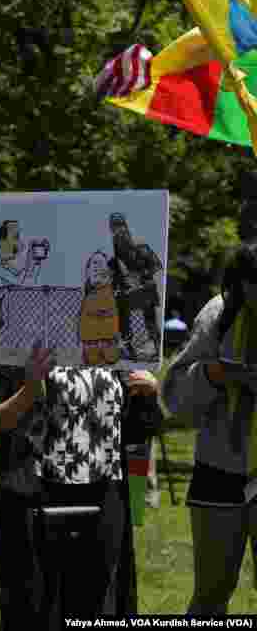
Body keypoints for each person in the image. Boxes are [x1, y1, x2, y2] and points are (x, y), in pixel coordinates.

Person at [0, 355, 156, 629]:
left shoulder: (112, 344)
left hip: (103, 500)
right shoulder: (17, 343)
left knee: (97, 609)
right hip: (34, 504)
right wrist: (29, 390)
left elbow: (137, 431)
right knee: (36, 612)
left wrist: (148, 393)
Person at [163, 240, 257, 614]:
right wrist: (215, 374)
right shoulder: (219, 314)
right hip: (219, 470)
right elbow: (173, 396)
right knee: (210, 595)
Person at [108, 212, 163, 360]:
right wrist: (115, 286)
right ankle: (128, 347)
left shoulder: (142, 247)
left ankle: (156, 347)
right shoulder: (114, 252)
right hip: (127, 291)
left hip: (145, 288)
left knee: (149, 318)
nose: (118, 231)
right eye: (114, 228)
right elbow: (112, 273)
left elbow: (157, 265)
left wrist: (140, 275)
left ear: (126, 227)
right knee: (121, 309)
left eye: (120, 226)